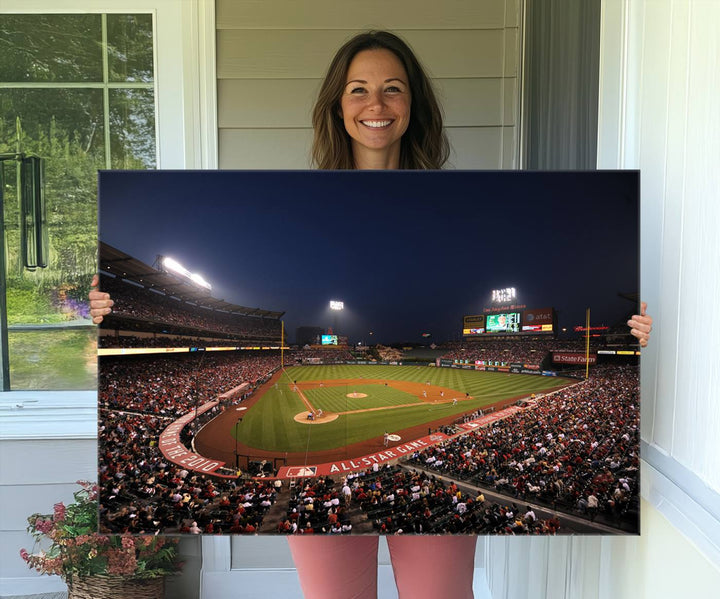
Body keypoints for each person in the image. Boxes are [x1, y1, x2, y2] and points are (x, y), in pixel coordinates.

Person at [89, 29, 654, 599]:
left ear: (414, 104)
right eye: (358, 89)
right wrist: (98, 313)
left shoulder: (451, 199)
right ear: (338, 104)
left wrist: (637, 333)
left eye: (393, 89)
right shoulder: (301, 192)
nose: (376, 105)